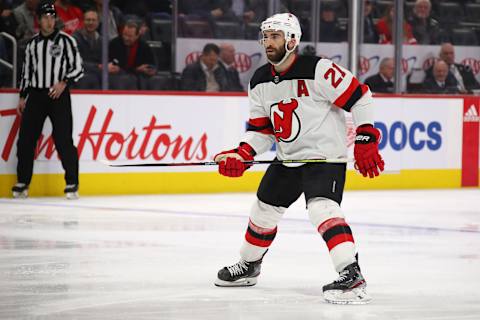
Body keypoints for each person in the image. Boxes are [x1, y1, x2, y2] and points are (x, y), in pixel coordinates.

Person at [213, 13, 384, 305]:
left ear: (292, 39)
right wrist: (243, 153)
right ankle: (249, 265)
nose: (268, 42)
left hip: (324, 158)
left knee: (322, 209)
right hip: (287, 158)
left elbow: (361, 96)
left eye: (275, 36)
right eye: (265, 36)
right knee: (263, 209)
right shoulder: (260, 80)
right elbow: (262, 130)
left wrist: (366, 137)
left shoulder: (319, 70)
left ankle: (351, 275)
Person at [12, 2, 84, 199]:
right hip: (36, 95)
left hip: (58, 96)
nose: (49, 21)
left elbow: (78, 68)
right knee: (26, 140)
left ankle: (72, 182)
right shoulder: (32, 44)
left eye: (52, 17)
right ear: (39, 20)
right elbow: (27, 72)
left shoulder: (67, 41)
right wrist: (22, 95)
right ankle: (23, 181)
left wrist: (64, 82)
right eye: (45, 17)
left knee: (63, 140)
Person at [108, 20, 156, 90]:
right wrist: (136, 69)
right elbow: (114, 63)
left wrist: (149, 70)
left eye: (130, 36)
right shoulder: (114, 44)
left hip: (139, 78)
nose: (126, 38)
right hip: (118, 78)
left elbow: (151, 64)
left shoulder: (144, 47)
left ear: (137, 36)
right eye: (124, 34)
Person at [72, 8, 101, 89]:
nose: (91, 23)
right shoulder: (75, 38)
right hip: (81, 73)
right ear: (83, 21)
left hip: (98, 72)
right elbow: (76, 62)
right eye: (88, 20)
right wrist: (98, 66)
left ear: (98, 22)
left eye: (93, 20)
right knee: (90, 79)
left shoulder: (102, 40)